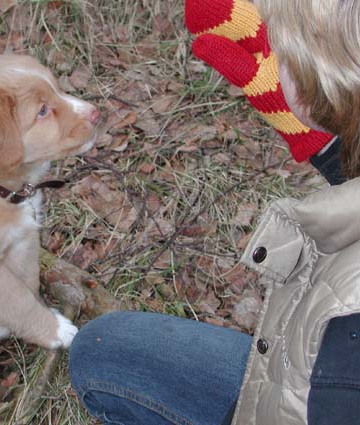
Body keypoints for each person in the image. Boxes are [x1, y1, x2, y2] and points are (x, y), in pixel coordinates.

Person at [68, 0, 360, 424]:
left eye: (282, 51)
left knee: (106, 364)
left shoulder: (347, 348)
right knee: (106, 353)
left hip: (303, 399)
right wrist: (327, 136)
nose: (270, 57)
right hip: (297, 377)